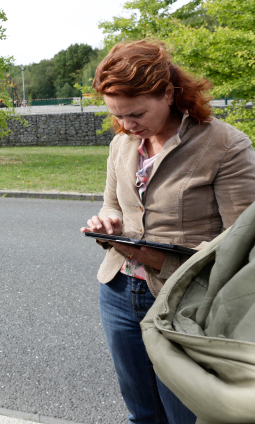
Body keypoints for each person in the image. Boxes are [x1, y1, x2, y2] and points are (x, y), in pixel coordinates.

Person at [80, 39, 255, 424]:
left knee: (186, 417)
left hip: (185, 301)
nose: (127, 126)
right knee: (141, 413)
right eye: (117, 115)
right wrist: (106, 221)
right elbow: (112, 204)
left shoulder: (225, 145)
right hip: (118, 291)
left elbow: (241, 245)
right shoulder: (122, 144)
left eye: (136, 113)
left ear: (168, 92)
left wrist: (156, 256)